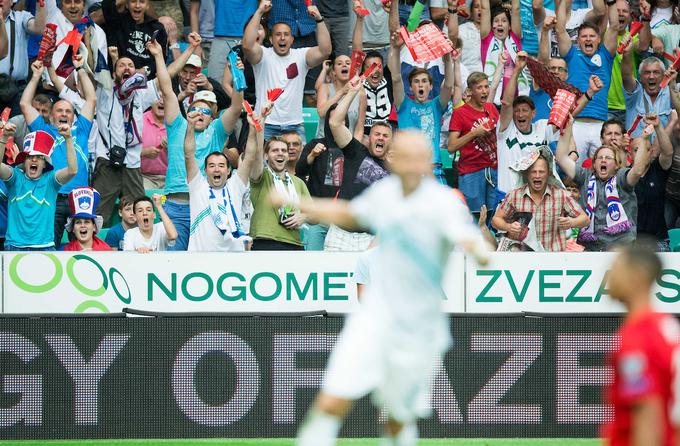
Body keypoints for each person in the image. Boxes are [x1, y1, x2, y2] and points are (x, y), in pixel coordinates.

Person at [292, 130, 490, 446]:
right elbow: (347, 213)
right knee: (331, 401)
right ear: (395, 160)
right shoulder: (383, 193)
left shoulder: (443, 203)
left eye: (419, 157)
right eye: (405, 157)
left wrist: (477, 250)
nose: (412, 164)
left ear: (428, 161)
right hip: (374, 319)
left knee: (397, 419)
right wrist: (304, 204)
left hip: (418, 330)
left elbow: (466, 238)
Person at [155, 36, 243, 251]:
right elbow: (167, 88)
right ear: (188, 109)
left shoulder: (216, 131)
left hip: (205, 203)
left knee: (205, 259)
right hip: (175, 204)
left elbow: (236, 107)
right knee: (174, 261)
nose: (199, 113)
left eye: (206, 110)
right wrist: (158, 56)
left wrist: (238, 74)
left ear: (212, 115)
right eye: (195, 108)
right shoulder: (177, 125)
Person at [603, 243, 680, 446]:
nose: (609, 278)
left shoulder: (637, 339)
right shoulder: (664, 326)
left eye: (617, 269)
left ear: (638, 276)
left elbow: (646, 413)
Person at [21, 57, 96, 247]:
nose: (63, 114)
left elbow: (92, 99)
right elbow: (24, 104)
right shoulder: (42, 129)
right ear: (51, 115)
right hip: (51, 196)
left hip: (78, 198)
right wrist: (36, 76)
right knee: (49, 244)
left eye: (68, 111)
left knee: (81, 248)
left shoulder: (81, 129)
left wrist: (80, 68)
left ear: (73, 116)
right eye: (59, 111)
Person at [555, 116, 650, 251]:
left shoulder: (622, 176)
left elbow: (638, 170)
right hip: (591, 248)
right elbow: (561, 157)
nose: (603, 160)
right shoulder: (585, 175)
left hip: (620, 249)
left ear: (617, 165)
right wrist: (568, 127)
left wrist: (645, 139)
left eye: (608, 158)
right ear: (594, 163)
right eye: (600, 158)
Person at [241, 0, 331, 141]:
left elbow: (325, 51)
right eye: (278, 34)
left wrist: (319, 20)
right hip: (266, 123)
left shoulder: (301, 56)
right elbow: (247, 45)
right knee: (262, 164)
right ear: (271, 39)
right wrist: (259, 12)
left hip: (294, 125)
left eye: (286, 34)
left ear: (292, 39)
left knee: (298, 164)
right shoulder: (262, 55)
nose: (282, 38)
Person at [183, 107, 263, 251]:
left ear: (228, 170)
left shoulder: (235, 186)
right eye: (212, 166)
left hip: (233, 259)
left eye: (221, 165)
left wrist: (252, 128)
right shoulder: (197, 186)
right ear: (205, 170)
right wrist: (190, 127)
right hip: (199, 259)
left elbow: (250, 156)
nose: (217, 169)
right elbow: (189, 154)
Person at [389, 24, 454, 184]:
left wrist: (447, 57)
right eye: (416, 82)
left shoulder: (436, 106)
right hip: (408, 169)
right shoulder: (403, 105)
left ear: (431, 86)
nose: (420, 85)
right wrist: (396, 49)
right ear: (410, 87)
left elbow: (448, 85)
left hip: (434, 169)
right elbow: (396, 78)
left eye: (424, 81)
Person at [492, 147, 590, 251]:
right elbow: (495, 220)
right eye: (533, 172)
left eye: (541, 172)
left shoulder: (561, 195)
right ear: (527, 174)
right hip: (524, 260)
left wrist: (571, 222)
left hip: (553, 260)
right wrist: (509, 227)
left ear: (548, 174)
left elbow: (585, 219)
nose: (537, 176)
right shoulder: (514, 196)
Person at [556, 0, 619, 159]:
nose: (588, 39)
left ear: (599, 39)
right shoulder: (572, 55)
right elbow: (560, 29)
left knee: (602, 172)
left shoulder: (606, 55)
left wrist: (611, 3)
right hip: (575, 123)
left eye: (592, 36)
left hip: (600, 125)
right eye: (584, 36)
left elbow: (614, 27)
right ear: (578, 41)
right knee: (573, 173)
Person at [0, 127, 78, 251]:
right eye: (29, 156)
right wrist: (4, 138)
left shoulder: (50, 180)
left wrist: (68, 139)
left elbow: (72, 170)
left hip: (44, 247)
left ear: (45, 163)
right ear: (24, 162)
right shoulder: (15, 177)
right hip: (14, 247)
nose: (34, 159)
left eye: (39, 156)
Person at [448, 71, 499, 219]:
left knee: (493, 214)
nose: (484, 91)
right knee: (473, 217)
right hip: (471, 172)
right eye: (479, 88)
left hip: (493, 170)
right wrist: (473, 133)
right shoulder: (460, 113)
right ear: (470, 91)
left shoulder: (491, 109)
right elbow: (451, 146)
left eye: (486, 86)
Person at [249, 135, 310, 250]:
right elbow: (256, 156)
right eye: (275, 150)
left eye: (284, 151)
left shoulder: (298, 182)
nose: (280, 153)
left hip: (294, 243)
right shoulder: (261, 176)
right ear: (266, 156)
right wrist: (259, 127)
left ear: (288, 156)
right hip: (266, 241)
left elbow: (314, 215)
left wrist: (303, 217)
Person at [101, 0, 168, 78]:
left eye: (142, 2)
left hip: (147, 82)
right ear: (127, 4)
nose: (137, 5)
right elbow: (107, 5)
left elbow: (162, 58)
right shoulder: (118, 22)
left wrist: (145, 70)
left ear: (147, 6)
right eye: (133, 1)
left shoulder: (157, 28)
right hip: (121, 79)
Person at [315, 55, 366, 141]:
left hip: (348, 146)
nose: (344, 65)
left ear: (353, 69)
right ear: (334, 72)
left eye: (348, 63)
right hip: (324, 145)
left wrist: (355, 150)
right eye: (339, 63)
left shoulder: (361, 93)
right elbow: (321, 112)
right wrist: (342, 91)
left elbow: (359, 129)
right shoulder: (324, 88)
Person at [62, 186, 112, 251]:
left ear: (94, 227)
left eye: (87, 222)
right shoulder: (64, 252)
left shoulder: (107, 251)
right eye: (78, 222)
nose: (83, 225)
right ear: (73, 228)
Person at [141, 97, 168, 189]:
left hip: (171, 179)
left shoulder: (176, 124)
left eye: (165, 97)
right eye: (157, 97)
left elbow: (187, 156)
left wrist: (172, 146)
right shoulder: (139, 120)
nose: (161, 101)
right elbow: (125, 150)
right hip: (144, 177)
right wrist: (144, 152)